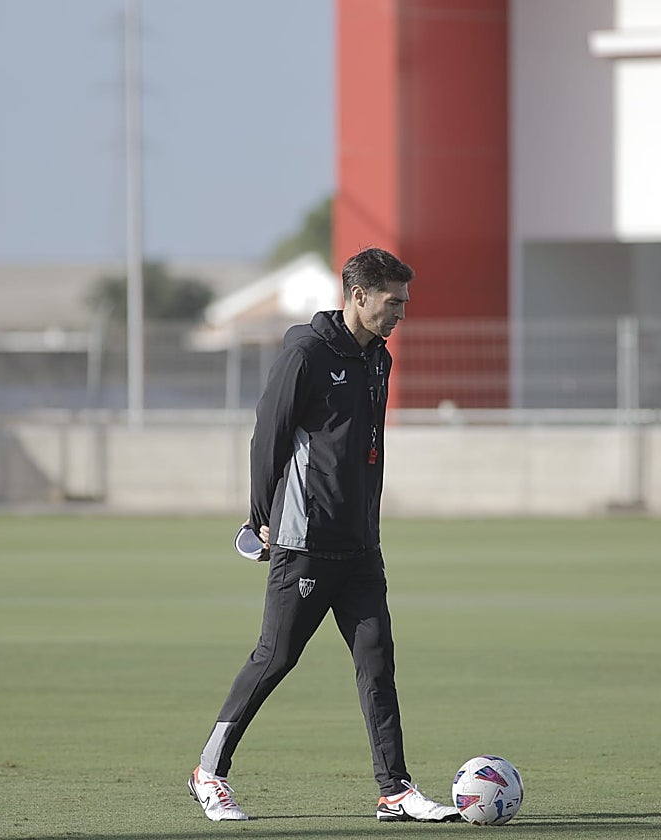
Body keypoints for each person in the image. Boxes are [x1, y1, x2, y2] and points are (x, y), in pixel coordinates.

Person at [187, 247, 458, 823]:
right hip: (303, 541)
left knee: (377, 661)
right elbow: (270, 435)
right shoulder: (306, 352)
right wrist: (257, 516)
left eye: (405, 301)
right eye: (394, 301)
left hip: (361, 545)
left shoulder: (380, 359)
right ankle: (209, 772)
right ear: (358, 296)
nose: (402, 312)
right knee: (275, 657)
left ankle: (395, 791)